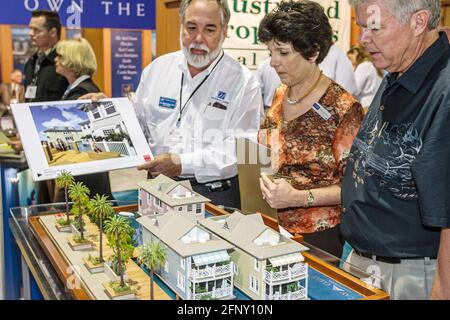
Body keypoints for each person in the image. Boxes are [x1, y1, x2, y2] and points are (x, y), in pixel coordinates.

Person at [82, 0, 263, 209]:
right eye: (191, 27)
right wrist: (109, 111)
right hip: (156, 188)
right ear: (181, 25)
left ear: (224, 31)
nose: (198, 38)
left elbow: (241, 151)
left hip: (213, 196)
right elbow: (136, 124)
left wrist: (181, 164)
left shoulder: (244, 82)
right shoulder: (157, 69)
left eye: (209, 29)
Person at [341, 0, 449, 300]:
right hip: (365, 264)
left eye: (374, 26)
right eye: (361, 27)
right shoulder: (398, 69)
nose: (363, 38)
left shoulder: (444, 91)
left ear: (418, 23)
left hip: (409, 277)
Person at [257, 0, 364, 257]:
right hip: (271, 226)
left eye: (282, 53)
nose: (273, 62)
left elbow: (355, 188)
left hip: (319, 237)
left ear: (313, 52)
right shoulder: (281, 93)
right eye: (270, 52)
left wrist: (296, 198)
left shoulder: (343, 108)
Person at [53, 37, 115, 202]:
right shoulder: (80, 89)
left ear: (71, 60)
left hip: (84, 180)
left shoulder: (82, 94)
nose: (55, 60)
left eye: (60, 56)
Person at [256, 44, 357, 109]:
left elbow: (346, 97)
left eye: (284, 53)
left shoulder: (335, 54)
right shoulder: (267, 67)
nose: (273, 63)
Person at [24, 10, 68, 102]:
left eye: (36, 30)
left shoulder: (66, 63)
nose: (31, 33)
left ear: (52, 32)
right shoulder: (31, 62)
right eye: (30, 29)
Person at [347, 44, 383, 110]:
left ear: (356, 54)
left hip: (366, 105)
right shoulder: (372, 65)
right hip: (375, 103)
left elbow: (355, 89)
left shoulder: (363, 67)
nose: (350, 62)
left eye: (350, 58)